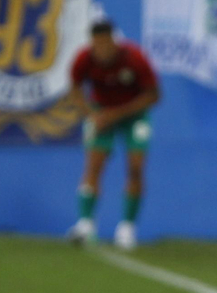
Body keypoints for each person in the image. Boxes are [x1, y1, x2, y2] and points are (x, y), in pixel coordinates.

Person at [68, 15, 160, 250]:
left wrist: (117, 114)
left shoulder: (134, 58)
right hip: (101, 114)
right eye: (97, 43)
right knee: (94, 164)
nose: (102, 49)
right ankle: (86, 224)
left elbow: (153, 95)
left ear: (113, 41)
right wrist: (91, 114)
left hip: (132, 115)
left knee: (136, 168)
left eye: (105, 43)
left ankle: (127, 228)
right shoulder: (84, 59)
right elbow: (75, 89)